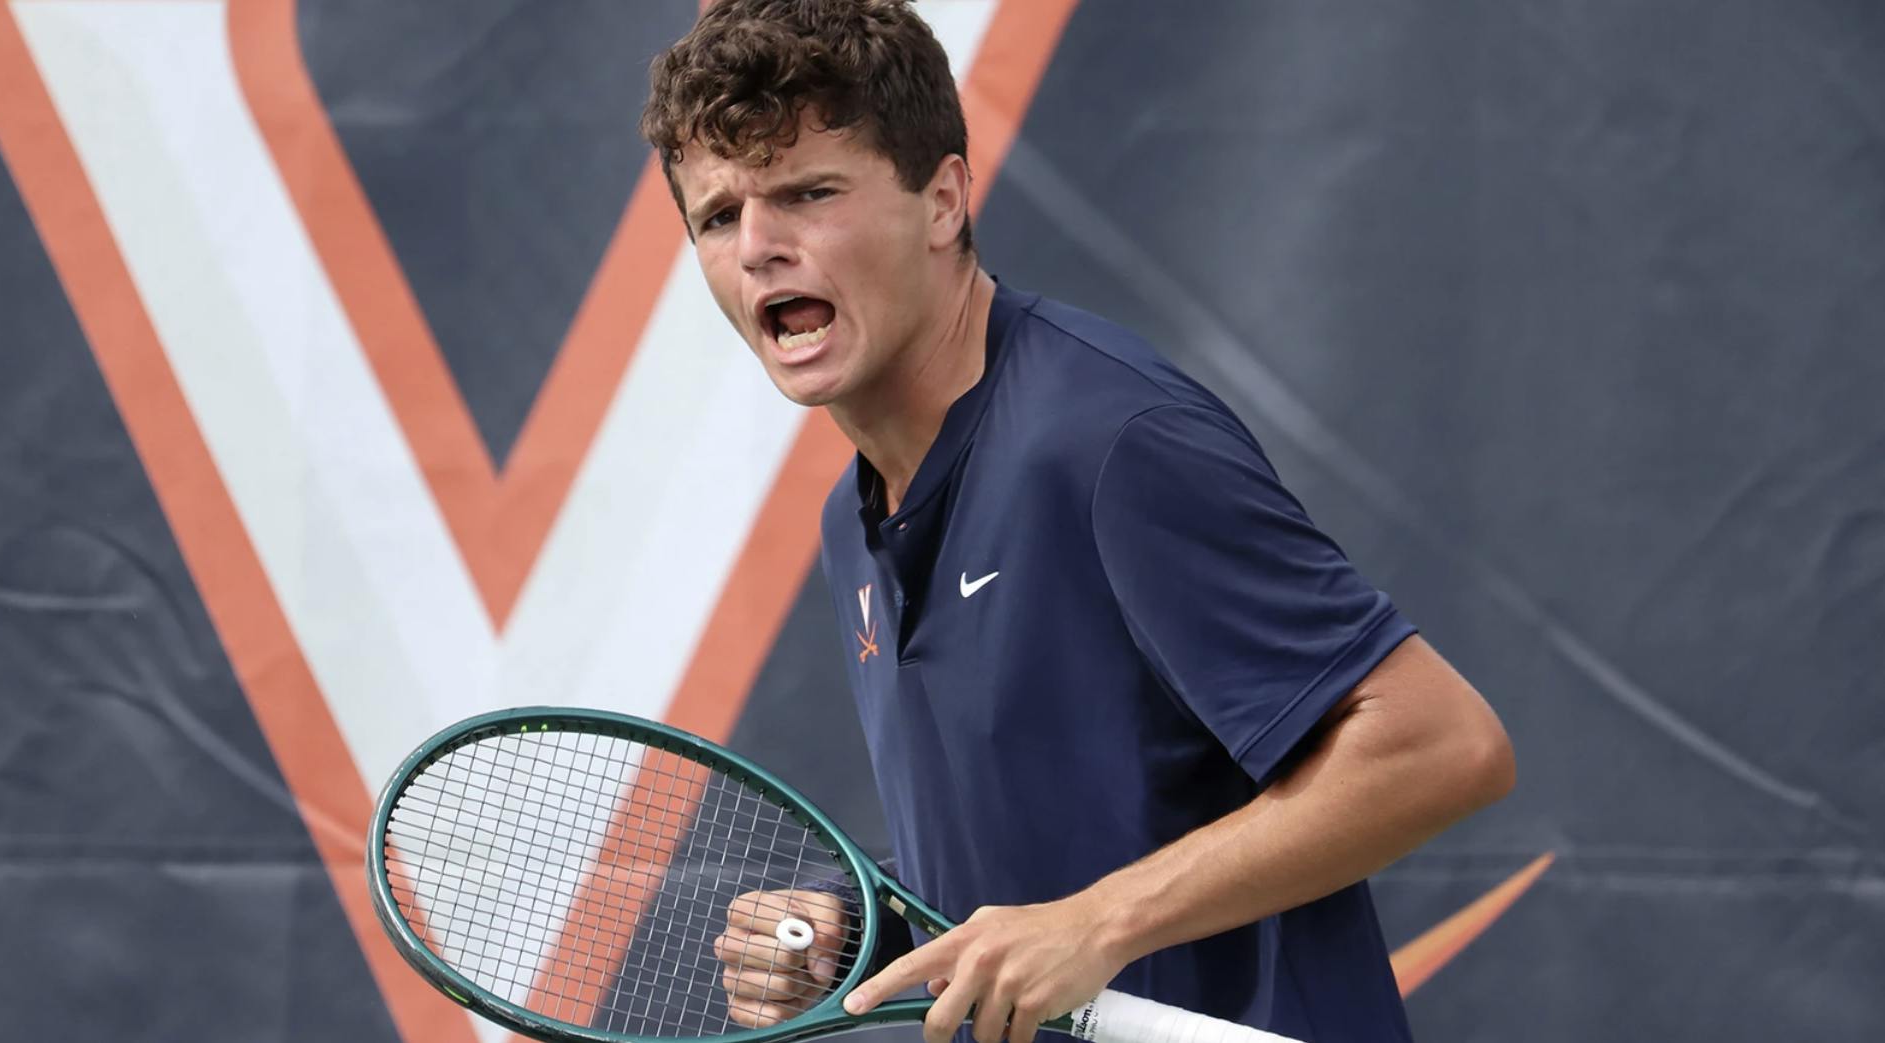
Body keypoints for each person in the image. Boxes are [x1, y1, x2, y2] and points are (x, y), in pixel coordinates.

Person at [639, 2, 1515, 1041]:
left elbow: (1442, 743)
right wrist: (854, 928)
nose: (758, 248)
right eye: (719, 216)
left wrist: (1100, 921)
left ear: (943, 201)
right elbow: (1040, 861)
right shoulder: (854, 518)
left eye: (808, 193)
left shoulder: (1108, 440)